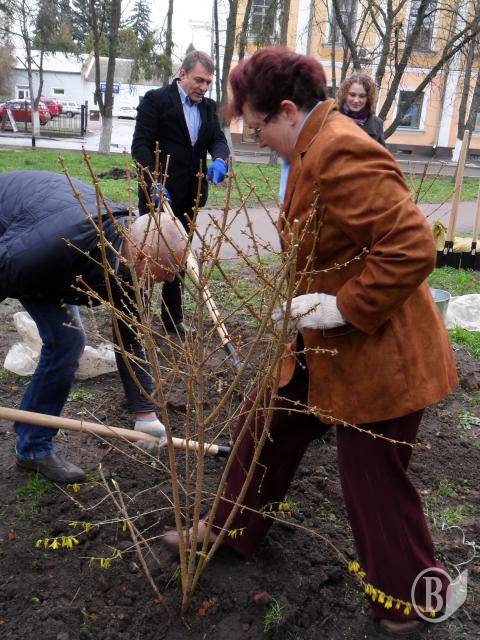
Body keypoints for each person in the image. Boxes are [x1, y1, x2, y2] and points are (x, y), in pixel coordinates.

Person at [162, 47, 458, 636]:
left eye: (257, 127)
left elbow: (410, 246)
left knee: (373, 478)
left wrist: (343, 307)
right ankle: (230, 528)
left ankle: (411, 603)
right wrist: (307, 302)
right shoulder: (311, 145)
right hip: (323, 346)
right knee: (264, 424)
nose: (255, 139)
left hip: (380, 354)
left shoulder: (340, 149)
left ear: (289, 111)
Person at [0, 170, 187, 483]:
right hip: (17, 235)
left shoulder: (130, 263)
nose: (170, 279)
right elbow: (9, 264)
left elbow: (130, 336)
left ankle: (33, 447)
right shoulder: (48, 248)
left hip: (44, 247)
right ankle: (34, 446)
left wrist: (145, 412)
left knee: (67, 342)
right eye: (166, 270)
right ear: (140, 255)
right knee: (66, 341)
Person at [131, 50, 230, 336]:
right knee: (149, 255)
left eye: (208, 82)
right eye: (199, 80)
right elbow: (140, 145)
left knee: (180, 256)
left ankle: (172, 319)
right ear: (182, 73)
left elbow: (218, 140)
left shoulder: (208, 108)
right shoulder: (156, 101)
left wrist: (220, 160)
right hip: (158, 196)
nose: (203, 87)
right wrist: (152, 180)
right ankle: (138, 319)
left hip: (189, 196)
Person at [337, 72, 385, 146]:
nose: (356, 100)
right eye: (352, 95)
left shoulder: (377, 124)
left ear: (368, 98)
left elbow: (381, 153)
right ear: (344, 95)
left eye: (362, 96)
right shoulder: (331, 118)